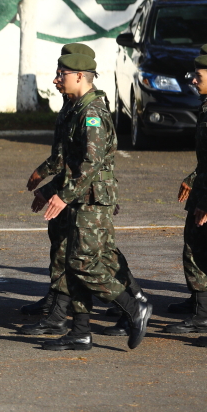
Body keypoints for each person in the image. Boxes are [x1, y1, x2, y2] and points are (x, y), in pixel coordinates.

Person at [32, 53, 151, 351]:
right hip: (80, 196)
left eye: (62, 73)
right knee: (74, 264)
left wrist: (63, 195)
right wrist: (51, 189)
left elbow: (91, 163)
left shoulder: (92, 112)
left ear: (80, 76)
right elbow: (70, 162)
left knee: (84, 264)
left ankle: (134, 307)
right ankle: (80, 331)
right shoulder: (77, 108)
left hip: (93, 199)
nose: (57, 78)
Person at [167, 48, 207, 348]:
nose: (193, 82)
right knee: (194, 247)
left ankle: (204, 312)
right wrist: (193, 180)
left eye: (198, 77)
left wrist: (206, 202)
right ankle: (201, 309)